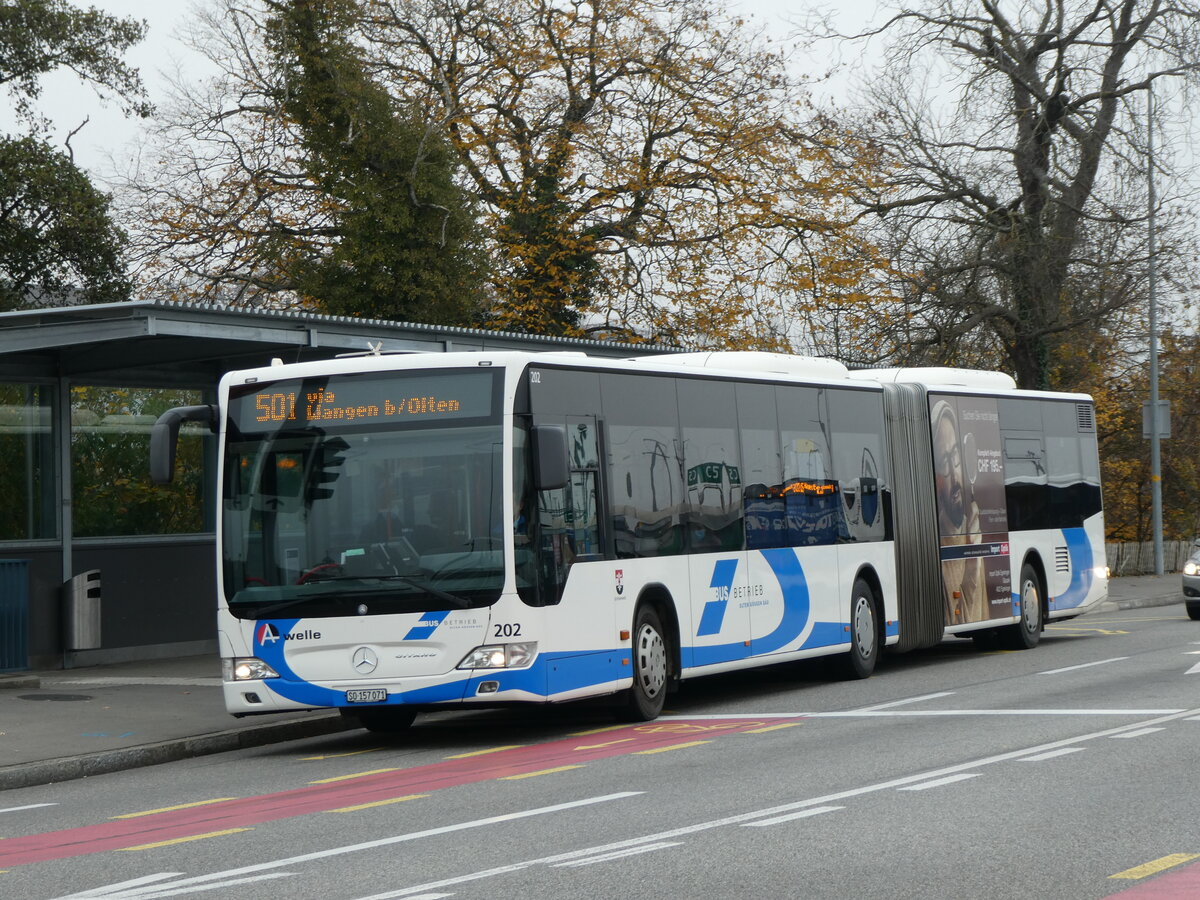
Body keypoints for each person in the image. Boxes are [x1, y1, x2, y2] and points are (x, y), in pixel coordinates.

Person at [931, 399, 987, 624]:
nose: (954, 476)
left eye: (954, 456)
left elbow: (979, 618)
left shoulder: (969, 528)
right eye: (944, 462)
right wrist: (972, 564)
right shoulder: (940, 545)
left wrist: (975, 557)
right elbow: (958, 620)